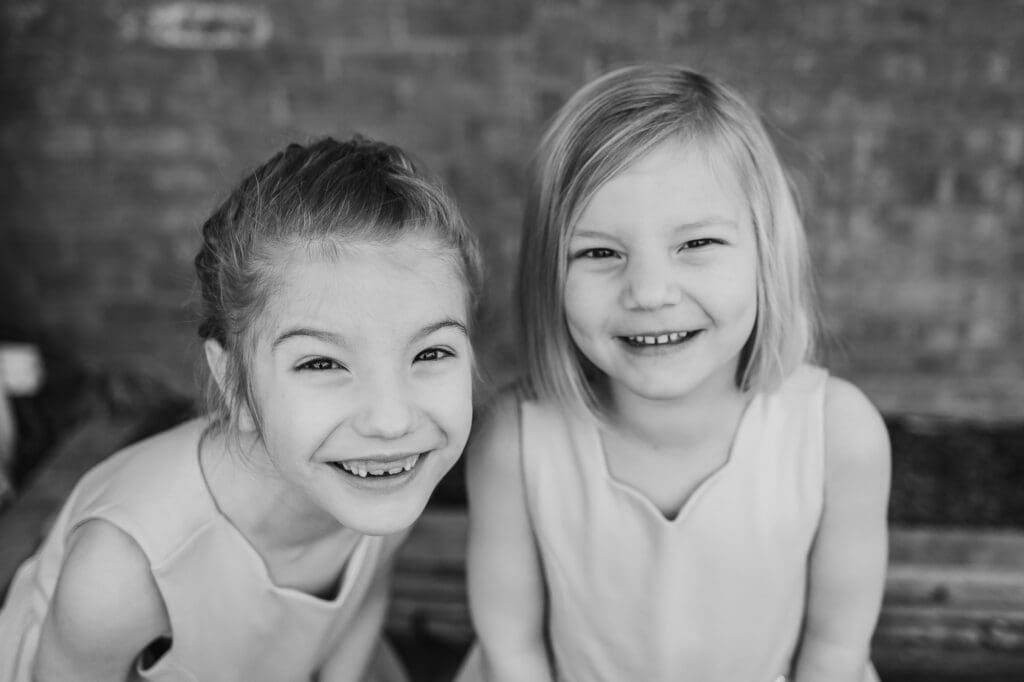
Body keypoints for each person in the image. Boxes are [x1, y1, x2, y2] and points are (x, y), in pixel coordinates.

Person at [458, 65, 890, 682]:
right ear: (548, 275)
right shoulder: (517, 441)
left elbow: (835, 651)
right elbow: (512, 648)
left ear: (767, 254)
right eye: (600, 252)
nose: (651, 292)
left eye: (697, 244)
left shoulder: (838, 435)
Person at [0, 136, 482, 682]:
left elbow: (358, 604)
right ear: (233, 381)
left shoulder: (383, 475)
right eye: (322, 364)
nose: (392, 422)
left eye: (432, 351)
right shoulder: (122, 574)